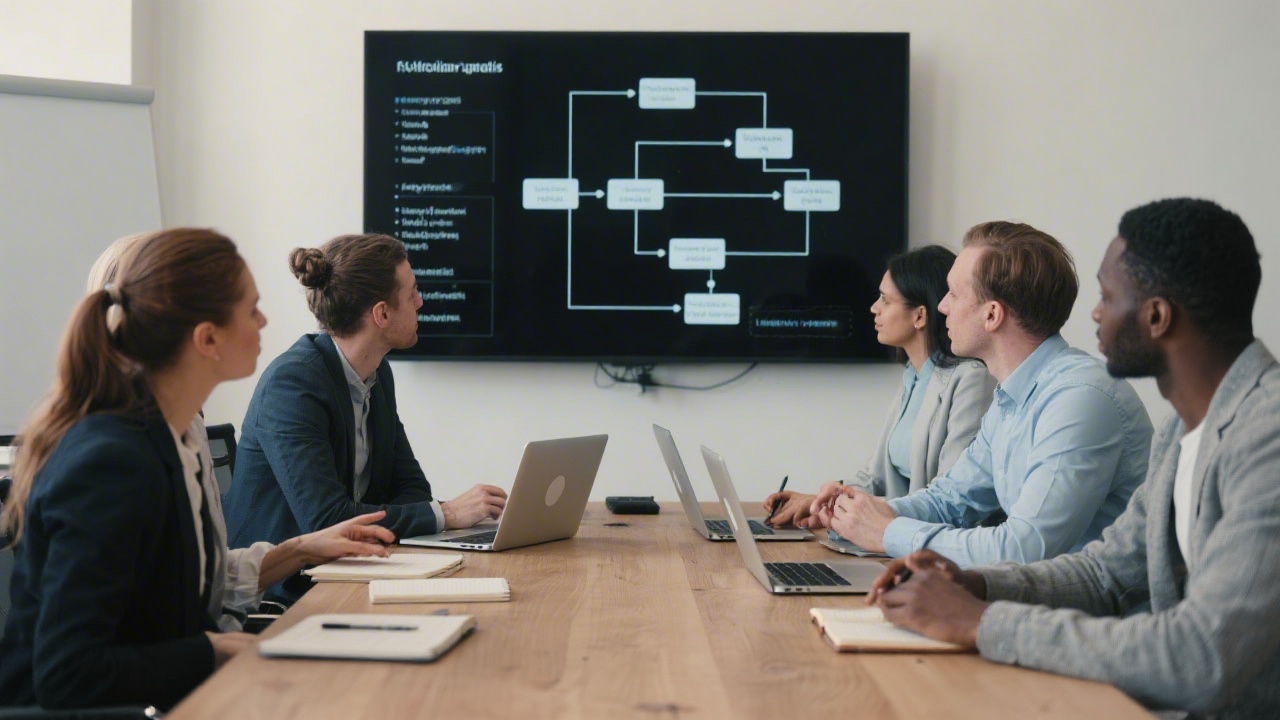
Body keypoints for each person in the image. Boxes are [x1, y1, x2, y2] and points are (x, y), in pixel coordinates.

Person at [870, 198, 1279, 718]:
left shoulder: (1268, 436)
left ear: (1156, 316)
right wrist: (974, 583)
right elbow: (1106, 574)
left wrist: (979, 622)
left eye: (1109, 296)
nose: (1094, 313)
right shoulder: (1184, 428)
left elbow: (1201, 657)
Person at [0, 229, 395, 710]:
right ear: (207, 339)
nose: (265, 320)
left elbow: (183, 579)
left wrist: (301, 548)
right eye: (251, 309)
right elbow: (68, 674)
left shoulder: (180, 434)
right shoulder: (110, 463)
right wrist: (210, 650)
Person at [809, 221, 1153, 566]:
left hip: (1092, 615)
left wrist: (886, 533)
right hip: (1036, 604)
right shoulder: (1010, 398)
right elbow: (951, 500)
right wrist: (862, 511)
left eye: (954, 294)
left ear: (992, 314)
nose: (941, 306)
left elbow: (1025, 548)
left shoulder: (1080, 400)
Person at [224, 233, 507, 601]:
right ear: (382, 313)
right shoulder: (293, 384)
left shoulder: (376, 373)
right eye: (412, 294)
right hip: (284, 595)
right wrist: (448, 513)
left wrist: (431, 512)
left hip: (348, 575)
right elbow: (327, 521)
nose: (421, 302)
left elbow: (411, 488)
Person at [764, 246, 995, 526]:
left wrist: (852, 509)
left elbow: (950, 497)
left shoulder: (971, 379)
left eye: (885, 300)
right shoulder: (914, 375)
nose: (874, 308)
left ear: (920, 316)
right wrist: (818, 501)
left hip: (930, 544)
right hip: (893, 535)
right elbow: (875, 479)